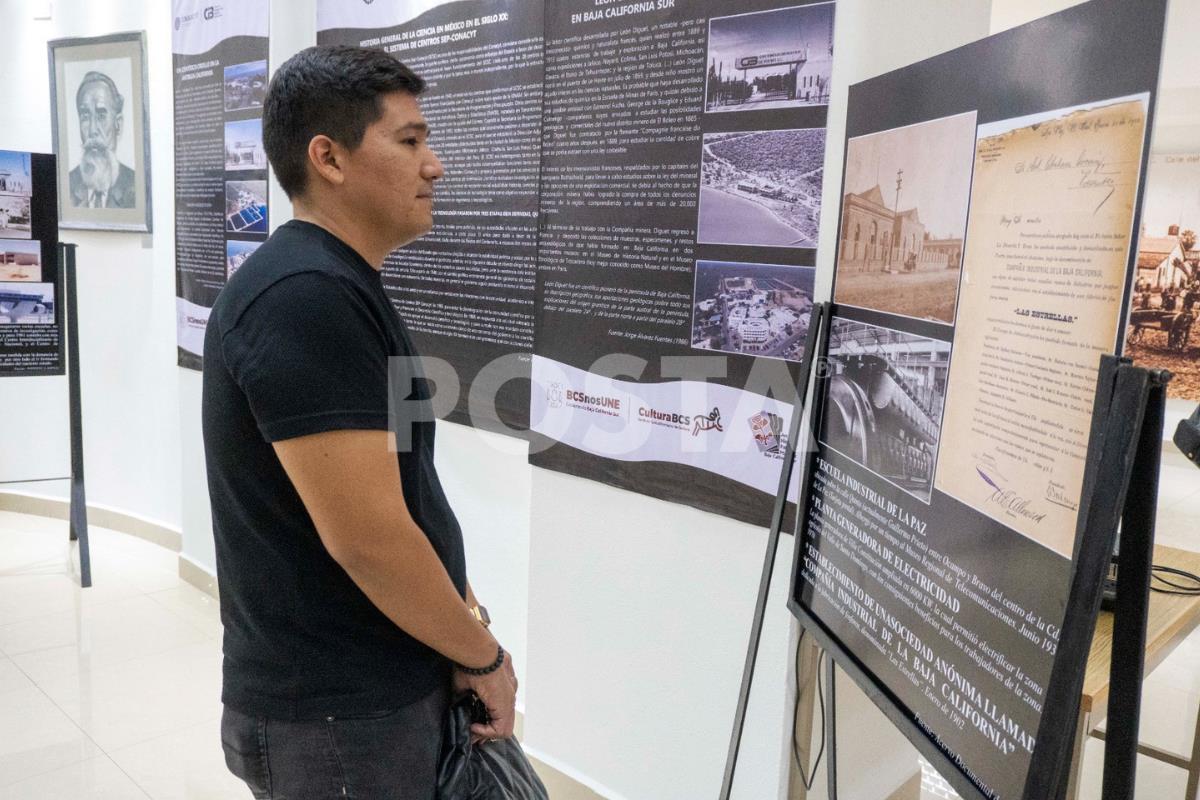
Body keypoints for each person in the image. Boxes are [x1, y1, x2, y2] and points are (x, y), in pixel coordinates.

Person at [202, 45, 516, 799]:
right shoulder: (304, 298)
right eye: (409, 141)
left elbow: (402, 488)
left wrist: (457, 613)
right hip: (342, 720)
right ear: (329, 158)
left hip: (369, 696)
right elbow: (368, 540)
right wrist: (483, 656)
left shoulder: (335, 285)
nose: (433, 165)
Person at [68, 71, 136, 208]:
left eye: (101, 116)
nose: (93, 130)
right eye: (85, 116)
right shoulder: (66, 186)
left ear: (118, 124)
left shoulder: (135, 187)